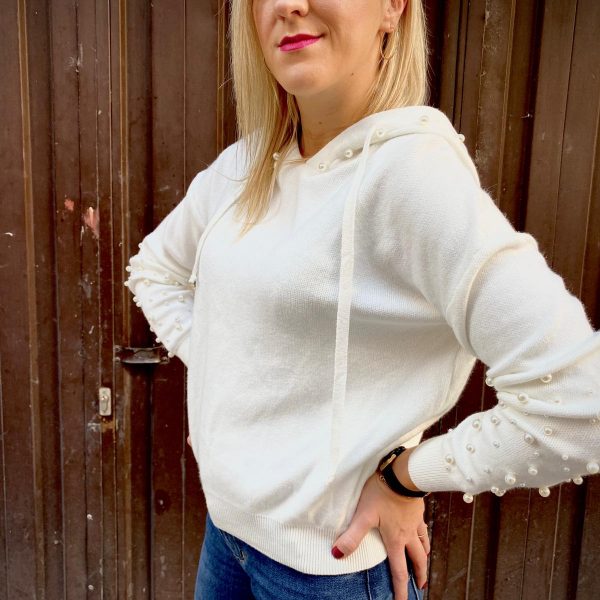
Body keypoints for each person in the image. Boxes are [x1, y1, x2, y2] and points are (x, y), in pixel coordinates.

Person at [125, 1, 600, 598]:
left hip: (332, 571)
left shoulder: (413, 178)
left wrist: (408, 477)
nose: (288, 5)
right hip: (227, 540)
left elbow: (582, 405)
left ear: (393, 8)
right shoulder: (248, 163)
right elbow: (155, 270)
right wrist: (225, 379)